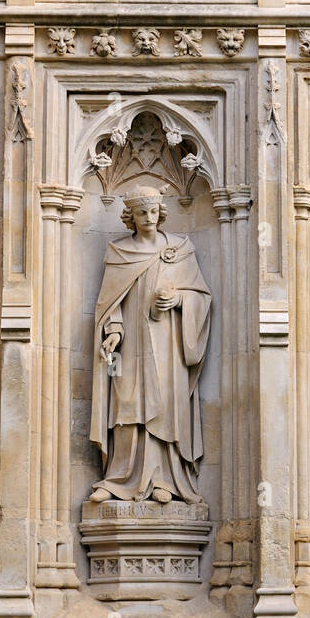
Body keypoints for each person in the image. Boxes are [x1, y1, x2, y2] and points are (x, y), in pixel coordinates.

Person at [89, 185, 211, 504]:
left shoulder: (180, 249)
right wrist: (113, 331)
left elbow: (201, 295)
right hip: (130, 345)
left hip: (168, 344)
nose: (149, 217)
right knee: (126, 405)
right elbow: (111, 301)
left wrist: (179, 299)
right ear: (131, 216)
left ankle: (165, 480)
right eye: (142, 212)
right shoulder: (119, 252)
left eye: (154, 211)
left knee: (166, 404)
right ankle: (119, 478)